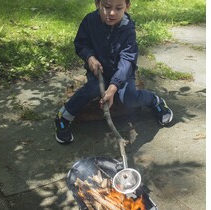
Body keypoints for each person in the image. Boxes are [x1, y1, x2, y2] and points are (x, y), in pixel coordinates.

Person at [54, 0, 173, 144]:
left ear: (127, 7)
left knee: (128, 98)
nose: (112, 13)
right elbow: (81, 43)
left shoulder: (127, 28)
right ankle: (64, 116)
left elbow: (128, 59)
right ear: (98, 4)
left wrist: (114, 86)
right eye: (107, 7)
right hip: (99, 69)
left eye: (118, 8)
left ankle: (155, 101)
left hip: (122, 71)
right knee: (92, 88)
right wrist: (90, 57)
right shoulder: (90, 21)